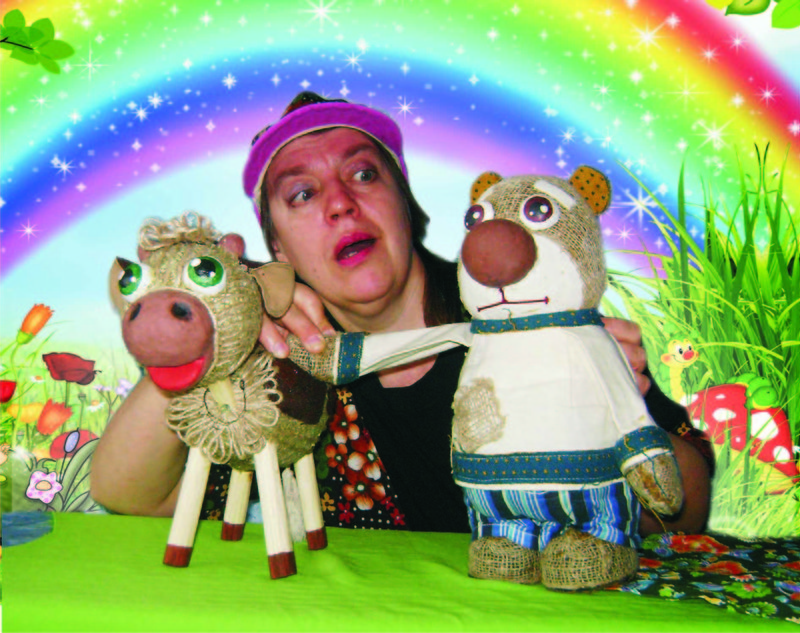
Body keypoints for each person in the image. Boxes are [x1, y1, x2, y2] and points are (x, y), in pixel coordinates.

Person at [91, 92, 713, 536]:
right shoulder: (279, 368)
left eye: (364, 173)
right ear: (277, 248)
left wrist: (605, 409)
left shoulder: (522, 306)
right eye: (302, 193)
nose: (340, 202)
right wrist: (218, 328)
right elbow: (127, 493)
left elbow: (684, 509)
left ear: (404, 204)